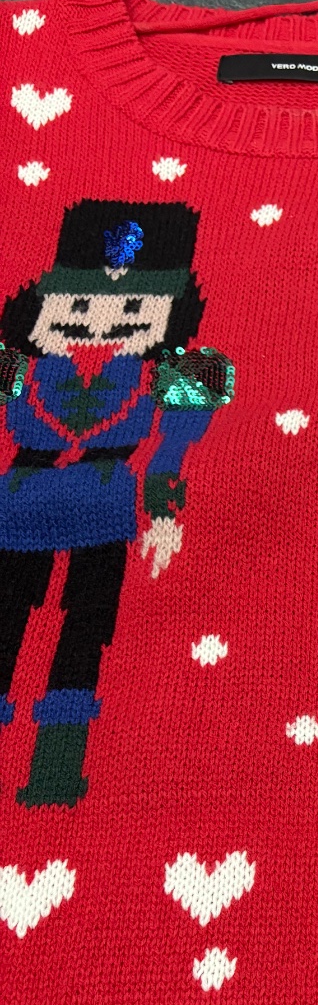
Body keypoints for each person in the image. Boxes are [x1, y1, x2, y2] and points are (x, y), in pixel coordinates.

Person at [0, 199, 233, 806]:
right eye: (76, 306)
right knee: (7, 621)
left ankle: (56, 767)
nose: (98, 323)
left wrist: (164, 508)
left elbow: (176, 443)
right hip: (19, 504)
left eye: (135, 309)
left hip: (107, 508)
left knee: (85, 631)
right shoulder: (22, 370)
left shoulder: (165, 375)